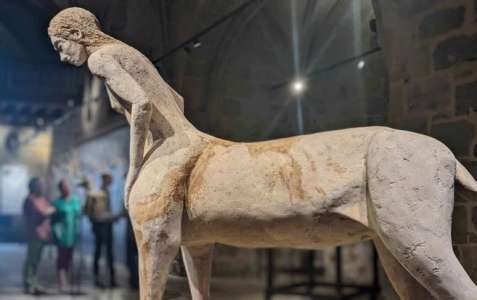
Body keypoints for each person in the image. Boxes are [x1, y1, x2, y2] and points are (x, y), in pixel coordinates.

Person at [48, 7, 185, 209]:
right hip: (181, 144)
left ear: (76, 34)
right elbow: (178, 99)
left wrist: (134, 167)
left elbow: (141, 103)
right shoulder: (124, 51)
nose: (62, 57)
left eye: (60, 47)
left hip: (166, 150)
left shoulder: (99, 59)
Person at [82, 173, 118, 288]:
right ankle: (97, 279)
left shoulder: (106, 192)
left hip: (108, 226)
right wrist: (97, 219)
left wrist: (110, 217)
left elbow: (107, 210)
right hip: (99, 226)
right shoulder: (95, 193)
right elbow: (88, 211)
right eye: (108, 179)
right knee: (99, 252)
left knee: (109, 253)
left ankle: (111, 279)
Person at [22, 177, 55, 295]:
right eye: (40, 184)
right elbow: (41, 214)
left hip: (43, 234)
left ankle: (34, 283)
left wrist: (49, 211)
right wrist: (48, 211)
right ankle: (28, 284)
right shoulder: (30, 200)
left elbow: (49, 209)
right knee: (31, 260)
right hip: (34, 234)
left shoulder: (42, 199)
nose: (42, 186)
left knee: (36, 261)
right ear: (33, 186)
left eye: (42, 184)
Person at [51, 180, 81, 292]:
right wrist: (55, 232)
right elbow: (53, 220)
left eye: (67, 186)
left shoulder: (75, 201)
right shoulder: (57, 203)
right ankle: (62, 282)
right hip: (62, 235)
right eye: (64, 187)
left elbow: (78, 215)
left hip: (72, 234)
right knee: (61, 259)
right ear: (60, 189)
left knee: (69, 258)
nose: (66, 189)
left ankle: (67, 281)